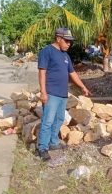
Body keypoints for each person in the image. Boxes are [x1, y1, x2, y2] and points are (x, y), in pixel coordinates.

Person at [37, 27, 91, 161]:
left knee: (59, 118)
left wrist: (83, 86)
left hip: (62, 94)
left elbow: (72, 73)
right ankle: (42, 148)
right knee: (47, 121)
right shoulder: (46, 51)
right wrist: (43, 92)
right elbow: (42, 72)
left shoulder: (65, 55)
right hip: (51, 93)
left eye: (70, 42)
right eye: (67, 41)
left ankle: (53, 142)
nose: (69, 44)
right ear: (58, 38)